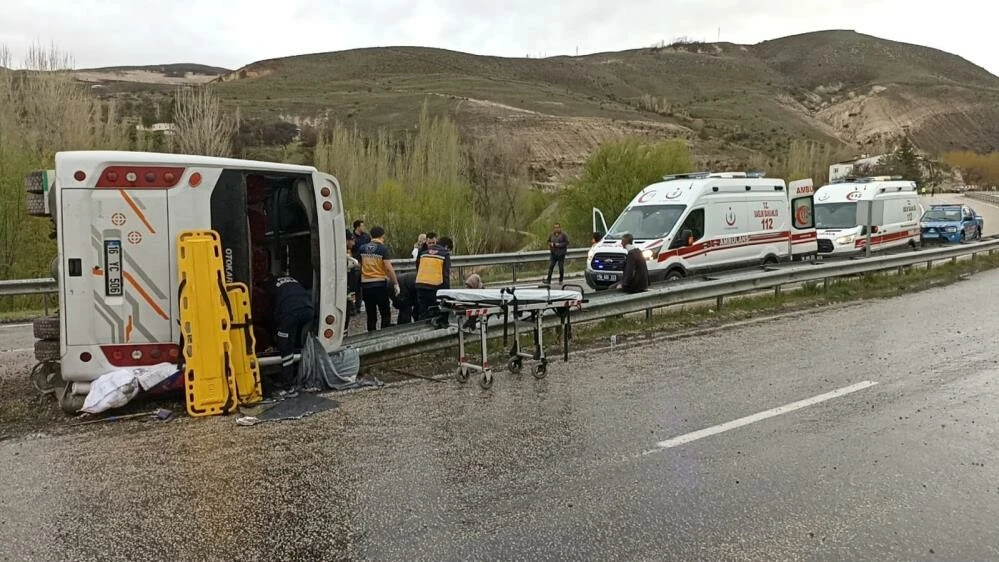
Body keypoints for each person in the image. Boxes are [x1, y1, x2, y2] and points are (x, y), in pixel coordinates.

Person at [264, 274, 314, 390]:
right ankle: (299, 372)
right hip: (308, 310)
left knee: (285, 346)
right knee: (297, 341)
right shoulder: (291, 279)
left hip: (291, 314)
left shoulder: (270, 286)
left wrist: (273, 336)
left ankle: (287, 383)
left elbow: (270, 311)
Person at [359, 226, 399, 331]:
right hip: (379, 284)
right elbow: (388, 268)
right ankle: (384, 334)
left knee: (371, 314)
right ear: (382, 236)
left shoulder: (362, 248)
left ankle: (371, 335)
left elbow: (359, 265)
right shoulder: (382, 249)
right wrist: (395, 283)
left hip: (366, 285)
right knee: (385, 312)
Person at [415, 236, 452, 319]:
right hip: (434, 287)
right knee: (435, 312)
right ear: (446, 247)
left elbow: (418, 267)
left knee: (423, 312)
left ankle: (421, 329)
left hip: (420, 285)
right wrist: (446, 294)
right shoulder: (444, 254)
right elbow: (445, 276)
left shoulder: (424, 252)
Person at [351, 220, 370, 314]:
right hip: (354, 265)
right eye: (362, 226)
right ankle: (353, 307)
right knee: (354, 287)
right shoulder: (352, 237)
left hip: (365, 264)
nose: (364, 227)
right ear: (357, 227)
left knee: (362, 287)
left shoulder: (366, 237)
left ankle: (359, 306)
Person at [344, 230, 361, 334]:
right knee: (345, 312)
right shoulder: (342, 253)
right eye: (352, 240)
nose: (353, 243)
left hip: (349, 287)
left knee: (348, 311)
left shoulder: (347, 252)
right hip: (345, 287)